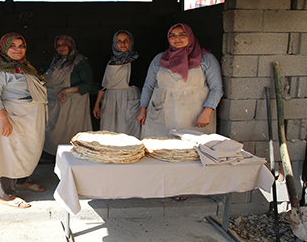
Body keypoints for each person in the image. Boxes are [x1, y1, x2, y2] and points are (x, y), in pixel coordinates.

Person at [136, 23, 223, 201]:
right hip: (161, 111)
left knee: (187, 152)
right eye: (172, 35)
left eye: (182, 35)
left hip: (192, 113)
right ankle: (158, 184)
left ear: (190, 36)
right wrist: (142, 109)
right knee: (160, 149)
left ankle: (182, 187)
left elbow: (217, 88)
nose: (177, 39)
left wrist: (207, 112)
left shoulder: (206, 59)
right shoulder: (159, 59)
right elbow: (148, 85)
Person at [0, 33, 48, 208]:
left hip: (28, 116)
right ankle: (4, 194)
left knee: (25, 151)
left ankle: (21, 181)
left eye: (21, 46)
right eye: (13, 46)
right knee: (6, 154)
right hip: (10, 115)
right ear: (3, 48)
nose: (18, 50)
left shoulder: (23, 66)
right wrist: (3, 120)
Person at [41, 35, 93, 163]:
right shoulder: (54, 60)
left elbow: (88, 84)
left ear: (71, 45)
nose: (61, 48)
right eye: (58, 45)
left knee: (71, 130)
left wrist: (67, 91)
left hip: (72, 101)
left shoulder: (80, 61)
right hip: (54, 100)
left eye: (64, 44)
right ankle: (52, 156)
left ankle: (72, 157)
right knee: (53, 131)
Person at [92, 30, 145, 138]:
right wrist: (97, 104)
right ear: (114, 43)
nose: (123, 44)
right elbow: (102, 85)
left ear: (131, 42)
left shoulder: (138, 60)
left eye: (126, 40)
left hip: (130, 98)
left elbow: (145, 85)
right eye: (119, 41)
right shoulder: (109, 60)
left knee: (128, 131)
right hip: (110, 99)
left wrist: (143, 108)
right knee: (109, 131)